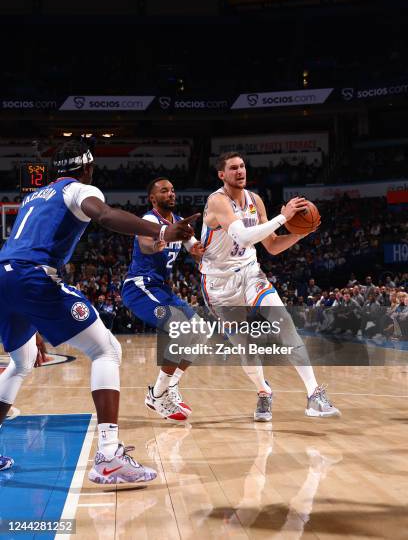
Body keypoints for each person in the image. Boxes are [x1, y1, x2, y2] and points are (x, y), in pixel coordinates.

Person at [0, 141, 198, 480]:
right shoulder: (78, 189)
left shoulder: (35, 195)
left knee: (21, 361)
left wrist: (32, 320)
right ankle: (108, 455)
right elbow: (105, 215)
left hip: (5, 277)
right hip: (34, 275)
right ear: (88, 168)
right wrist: (163, 229)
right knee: (106, 349)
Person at [200, 152, 340, 422]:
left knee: (284, 320)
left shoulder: (255, 200)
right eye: (233, 168)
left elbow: (272, 246)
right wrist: (282, 217)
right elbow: (241, 235)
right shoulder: (217, 201)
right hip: (219, 283)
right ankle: (264, 392)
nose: (240, 171)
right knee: (246, 349)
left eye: (242, 166)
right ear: (222, 174)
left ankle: (314, 395)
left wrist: (300, 232)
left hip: (251, 272)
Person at [121, 178, 204, 421]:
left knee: (200, 332)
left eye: (173, 190)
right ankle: (157, 395)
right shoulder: (149, 220)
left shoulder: (179, 223)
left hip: (161, 290)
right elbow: (147, 246)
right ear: (152, 198)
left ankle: (169, 386)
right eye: (164, 190)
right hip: (140, 286)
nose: (170, 193)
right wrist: (162, 241)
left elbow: (196, 252)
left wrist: (201, 250)